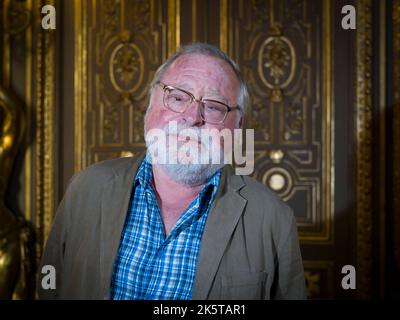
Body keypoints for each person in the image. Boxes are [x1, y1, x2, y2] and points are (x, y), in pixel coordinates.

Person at [38, 43, 306, 300]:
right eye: (177, 97)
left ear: (238, 126)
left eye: (213, 106)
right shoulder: (86, 188)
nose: (192, 117)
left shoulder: (273, 220)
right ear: (150, 105)